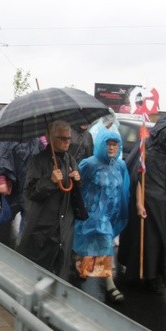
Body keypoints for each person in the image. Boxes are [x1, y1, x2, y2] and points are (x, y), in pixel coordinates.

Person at [16, 120, 81, 278]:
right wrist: (49, 181)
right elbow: (30, 193)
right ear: (50, 138)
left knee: (60, 271)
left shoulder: (70, 160)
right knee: (38, 271)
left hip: (64, 226)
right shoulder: (38, 160)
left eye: (69, 138)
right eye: (62, 138)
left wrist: (78, 180)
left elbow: (73, 193)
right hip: (43, 226)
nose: (67, 142)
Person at [72, 128, 130, 303]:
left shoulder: (121, 165)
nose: (111, 148)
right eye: (108, 144)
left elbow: (124, 190)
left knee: (100, 246)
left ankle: (95, 275)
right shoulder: (89, 164)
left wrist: (122, 211)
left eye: (115, 144)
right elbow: (77, 186)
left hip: (108, 218)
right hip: (89, 216)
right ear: (100, 145)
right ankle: (108, 282)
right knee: (97, 246)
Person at [133, 126, 166, 293]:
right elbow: (140, 181)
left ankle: (162, 274)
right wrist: (139, 203)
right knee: (152, 244)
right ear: (164, 140)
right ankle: (150, 278)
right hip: (152, 207)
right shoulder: (150, 156)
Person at [0, 138, 45, 240]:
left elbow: (44, 162)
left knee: (26, 221)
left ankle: (20, 249)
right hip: (13, 189)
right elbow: (0, 161)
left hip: (29, 190)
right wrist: (1, 180)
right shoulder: (6, 142)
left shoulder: (38, 144)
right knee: (7, 215)